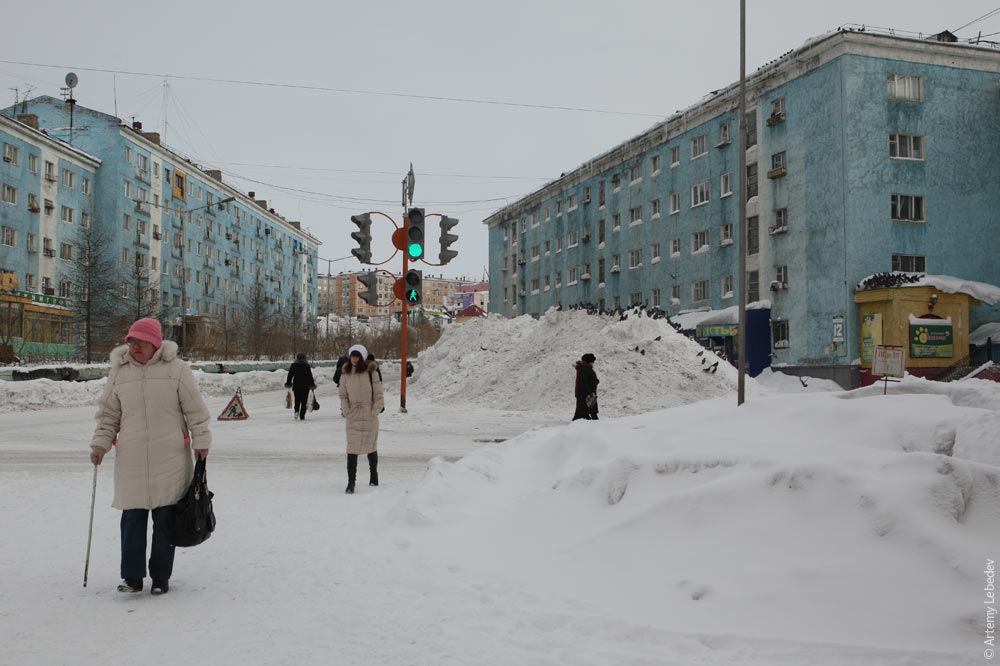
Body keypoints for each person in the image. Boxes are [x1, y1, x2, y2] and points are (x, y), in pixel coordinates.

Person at [89, 317, 211, 596]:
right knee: (132, 519)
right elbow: (109, 414)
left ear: (155, 343)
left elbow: (195, 410)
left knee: (165, 518)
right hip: (131, 458)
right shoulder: (120, 372)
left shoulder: (177, 371)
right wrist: (100, 444)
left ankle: (160, 577)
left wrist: (201, 440)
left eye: (140, 343)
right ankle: (132, 577)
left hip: (168, 457)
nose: (134, 348)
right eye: (131, 343)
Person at [338, 344, 385, 493]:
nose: (354, 359)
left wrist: (374, 411)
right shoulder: (345, 373)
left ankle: (374, 475)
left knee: (371, 446)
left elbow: (378, 395)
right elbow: (343, 395)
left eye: (357, 356)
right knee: (352, 448)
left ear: (362, 357)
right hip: (353, 415)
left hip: (369, 414)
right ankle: (351, 482)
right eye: (352, 356)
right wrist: (346, 410)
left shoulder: (372, 373)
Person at [285, 352, 317, 421]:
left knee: (297, 400)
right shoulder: (307, 366)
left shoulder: (293, 366)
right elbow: (310, 377)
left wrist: (288, 383)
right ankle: (302, 415)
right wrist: (312, 385)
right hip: (305, 387)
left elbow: (290, 375)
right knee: (304, 401)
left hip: (296, 386)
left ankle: (296, 411)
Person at [572, 353, 600, 421]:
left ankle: (585, 420)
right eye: (592, 361)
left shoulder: (583, 369)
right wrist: (596, 381)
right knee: (590, 411)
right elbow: (588, 382)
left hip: (584, 394)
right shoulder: (586, 369)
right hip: (587, 394)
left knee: (583, 411)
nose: (593, 363)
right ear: (589, 361)